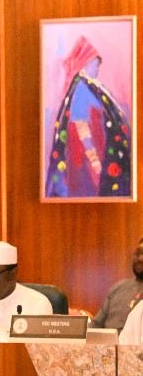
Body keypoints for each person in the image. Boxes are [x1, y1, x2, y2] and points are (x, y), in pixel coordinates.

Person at [45, 36, 132, 198]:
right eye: (95, 65)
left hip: (92, 154)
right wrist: (94, 160)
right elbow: (81, 125)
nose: (97, 69)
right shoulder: (82, 89)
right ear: (86, 64)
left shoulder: (87, 86)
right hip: (86, 159)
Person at [90, 237, 143, 331]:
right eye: (138, 253)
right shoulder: (118, 288)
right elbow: (95, 326)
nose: (140, 258)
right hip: (108, 340)